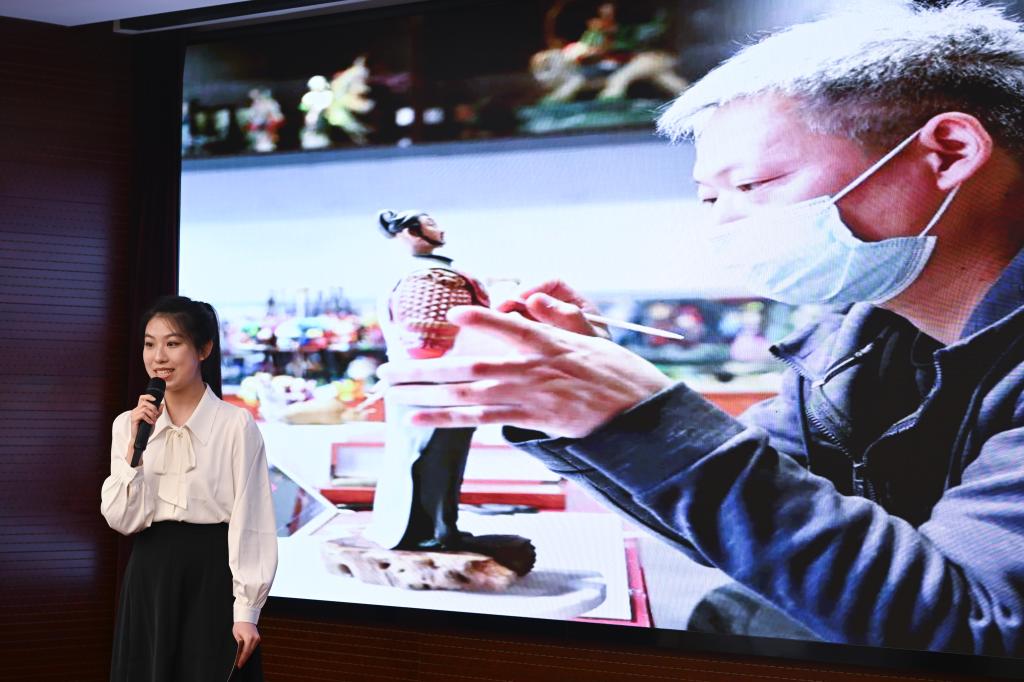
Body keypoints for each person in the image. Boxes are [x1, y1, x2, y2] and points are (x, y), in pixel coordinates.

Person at [377, 1, 1024, 655]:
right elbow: (751, 532)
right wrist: (589, 417)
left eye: (753, 184)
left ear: (948, 152)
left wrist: (642, 420)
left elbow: (976, 627)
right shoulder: (854, 343)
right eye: (709, 198)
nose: (721, 226)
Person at [101, 296, 278, 680]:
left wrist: (247, 611)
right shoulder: (128, 424)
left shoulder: (235, 425)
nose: (158, 356)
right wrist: (135, 451)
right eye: (150, 344)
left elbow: (252, 520)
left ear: (204, 349)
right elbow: (121, 519)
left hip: (211, 576)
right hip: (149, 575)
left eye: (173, 343)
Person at [367, 210, 535, 576]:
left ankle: (443, 529)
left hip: (451, 383)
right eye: (430, 223)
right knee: (423, 457)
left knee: (446, 460)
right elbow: (424, 336)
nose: (439, 228)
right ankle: (419, 531)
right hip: (428, 384)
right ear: (409, 232)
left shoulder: (444, 272)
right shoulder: (422, 276)